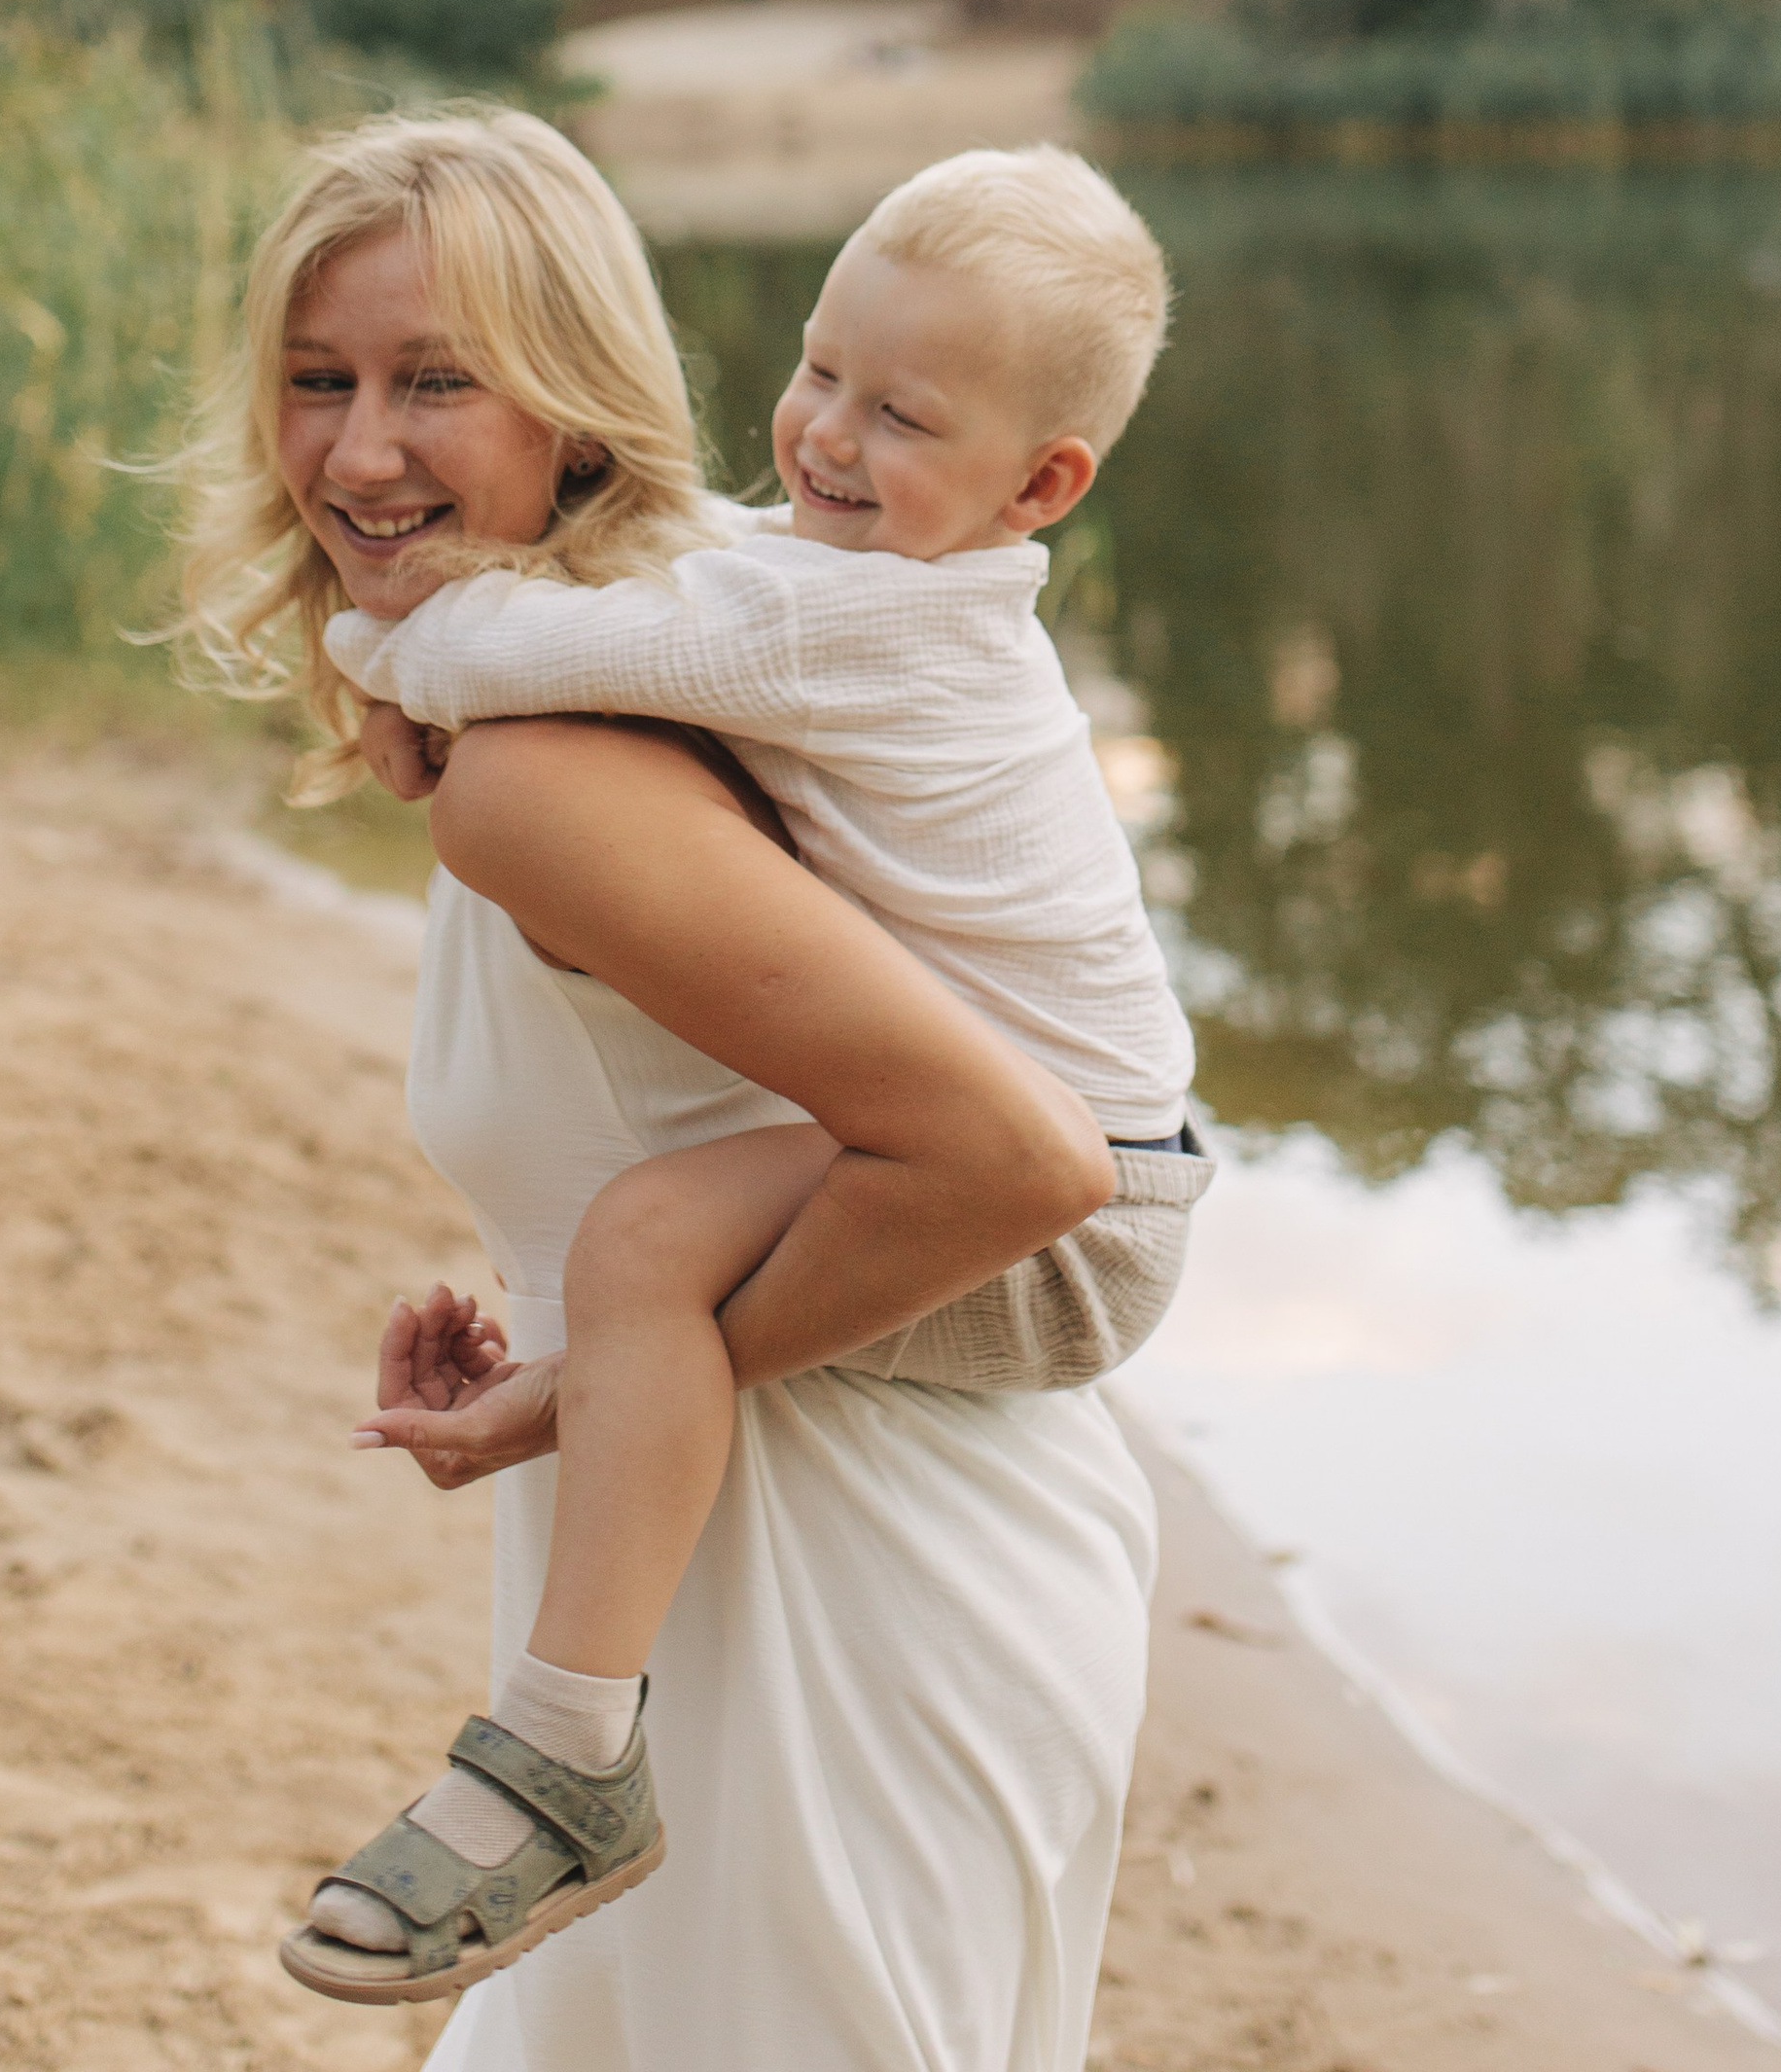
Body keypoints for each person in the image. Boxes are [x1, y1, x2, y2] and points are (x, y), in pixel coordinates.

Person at [178, 108, 1164, 2064]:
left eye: (434, 380)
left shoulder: (566, 751)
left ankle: (557, 1765)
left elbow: (1017, 1158)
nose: (359, 449)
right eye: (317, 380)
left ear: (569, 398)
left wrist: (397, 651)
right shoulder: (681, 648)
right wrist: (561, 1386)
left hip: (853, 1600)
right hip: (682, 1580)